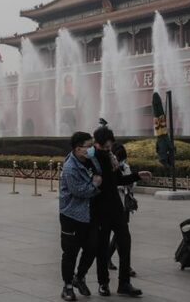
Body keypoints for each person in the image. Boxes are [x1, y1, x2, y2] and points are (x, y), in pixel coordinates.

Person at [91, 126, 149, 297]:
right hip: (100, 211)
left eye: (110, 147)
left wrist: (138, 175)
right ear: (97, 144)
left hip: (116, 208)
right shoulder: (91, 160)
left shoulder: (111, 158)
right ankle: (103, 283)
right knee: (102, 248)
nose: (109, 150)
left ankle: (124, 283)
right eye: (105, 147)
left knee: (125, 244)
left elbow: (118, 181)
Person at [59, 131, 102, 302]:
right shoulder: (70, 168)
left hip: (89, 214)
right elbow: (80, 191)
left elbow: (100, 170)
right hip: (72, 216)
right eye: (89, 146)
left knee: (92, 248)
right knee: (70, 253)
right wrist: (95, 184)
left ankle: (80, 277)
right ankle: (67, 286)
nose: (92, 149)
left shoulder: (90, 160)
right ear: (78, 149)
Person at [107, 143, 138, 276]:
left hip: (124, 206)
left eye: (123, 158)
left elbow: (131, 183)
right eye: (119, 158)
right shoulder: (108, 167)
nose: (121, 161)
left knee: (121, 235)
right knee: (121, 236)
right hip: (112, 206)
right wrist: (120, 184)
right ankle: (125, 266)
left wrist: (129, 184)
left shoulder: (125, 167)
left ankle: (107, 258)